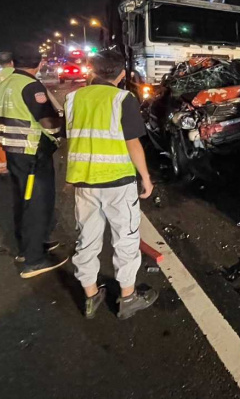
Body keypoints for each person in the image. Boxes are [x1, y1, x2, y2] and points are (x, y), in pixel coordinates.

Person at [65, 49, 157, 319]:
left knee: (88, 239)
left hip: (84, 181)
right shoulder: (122, 98)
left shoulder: (72, 98)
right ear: (121, 73)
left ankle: (91, 296)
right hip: (117, 181)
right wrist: (146, 178)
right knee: (126, 239)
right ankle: (128, 298)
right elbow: (132, 143)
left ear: (92, 70)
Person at [0, 47, 67, 278]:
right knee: (38, 203)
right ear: (39, 64)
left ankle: (28, 248)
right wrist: (59, 135)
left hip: (13, 151)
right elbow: (48, 121)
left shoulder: (5, 84)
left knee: (22, 200)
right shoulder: (32, 86)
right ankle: (34, 260)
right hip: (32, 153)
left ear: (15, 62)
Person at [0, 52, 15, 176]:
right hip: (18, 112)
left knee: (0, 138)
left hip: (0, 113)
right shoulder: (20, 75)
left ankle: (1, 167)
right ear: (12, 62)